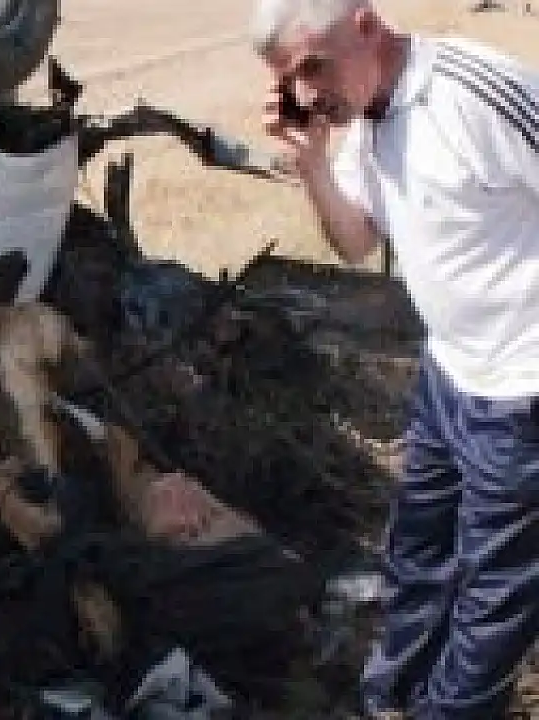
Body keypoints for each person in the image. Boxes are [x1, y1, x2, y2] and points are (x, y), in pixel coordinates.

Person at [248, 0, 539, 717]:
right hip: (449, 374)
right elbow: (355, 241)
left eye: (315, 67)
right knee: (417, 554)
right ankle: (390, 698)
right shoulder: (369, 116)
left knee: (492, 596)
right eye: (292, 79)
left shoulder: (476, 94)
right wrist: (312, 163)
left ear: (366, 25)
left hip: (521, 390)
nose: (309, 91)